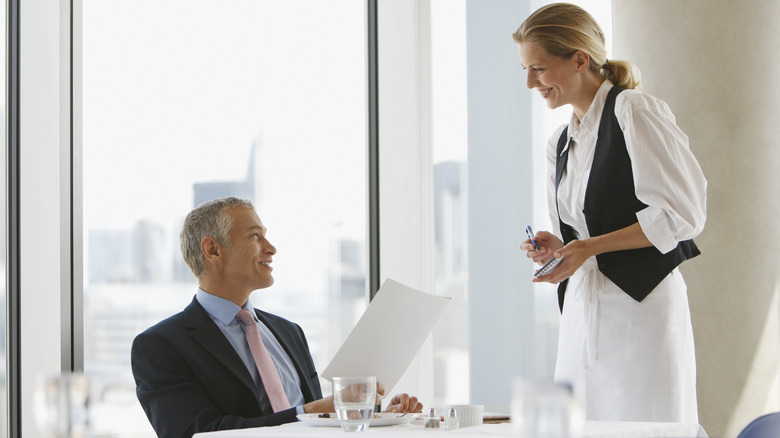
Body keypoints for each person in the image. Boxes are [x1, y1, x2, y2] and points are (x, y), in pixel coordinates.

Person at [513, 3, 706, 423]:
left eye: (539, 69)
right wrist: (561, 248)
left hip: (642, 317)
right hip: (582, 316)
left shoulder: (634, 111)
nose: (530, 82)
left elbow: (683, 213)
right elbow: (587, 233)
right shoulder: (560, 142)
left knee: (646, 427)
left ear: (579, 59)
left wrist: (589, 246)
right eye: (526, 70)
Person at [131, 197, 422, 438]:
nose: (271, 248)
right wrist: (310, 412)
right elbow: (196, 433)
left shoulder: (289, 332)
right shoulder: (160, 346)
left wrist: (375, 416)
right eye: (255, 236)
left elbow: (321, 423)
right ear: (213, 250)